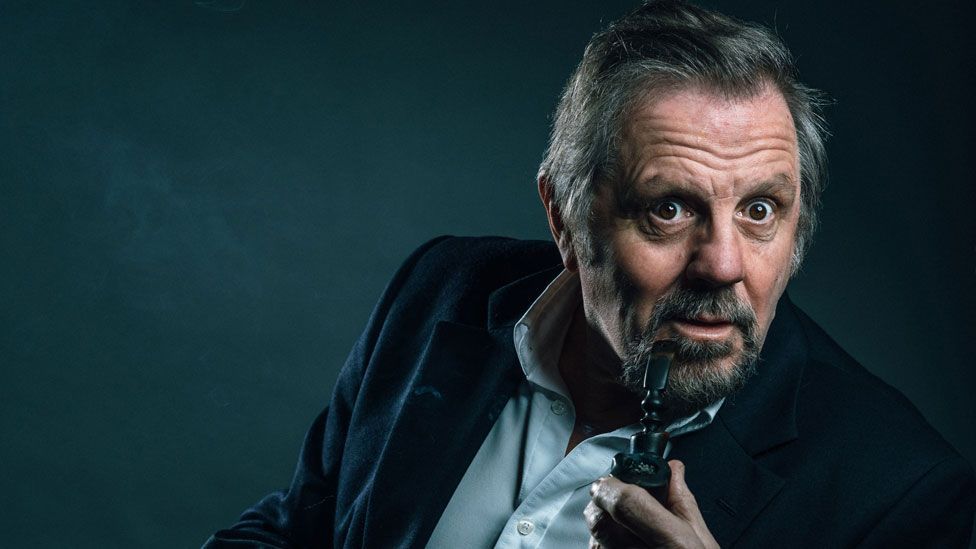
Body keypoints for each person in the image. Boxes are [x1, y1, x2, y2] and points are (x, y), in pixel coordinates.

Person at [205, 1, 975, 547]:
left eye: (760, 210)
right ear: (564, 216)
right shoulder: (439, 288)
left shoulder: (900, 494)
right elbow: (299, 528)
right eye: (668, 208)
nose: (723, 264)